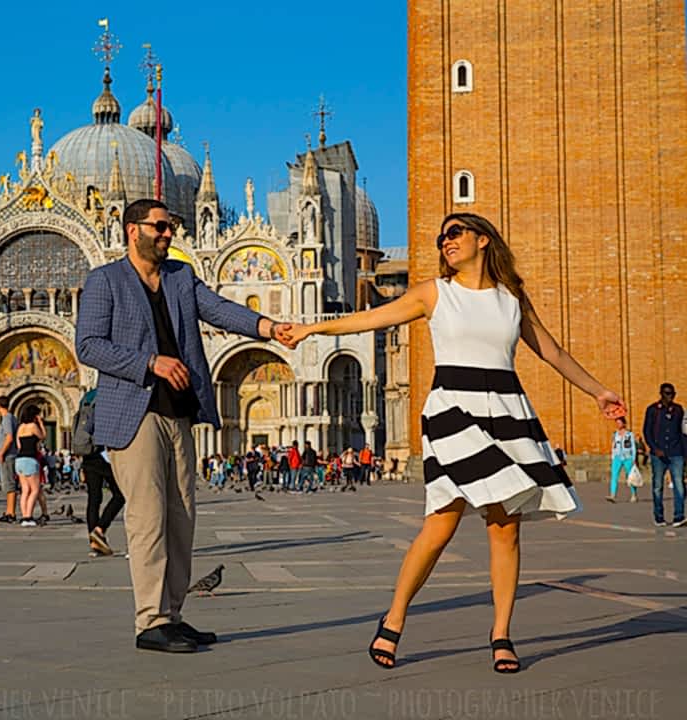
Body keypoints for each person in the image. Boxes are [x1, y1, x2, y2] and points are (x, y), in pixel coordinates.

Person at [284, 212, 624, 672]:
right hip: (453, 413)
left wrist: (599, 391)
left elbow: (554, 352)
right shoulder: (433, 293)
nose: (445, 241)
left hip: (506, 411)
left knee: (506, 527)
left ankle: (501, 633)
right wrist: (310, 330)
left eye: (455, 233)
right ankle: (396, 616)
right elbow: (370, 319)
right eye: (441, 236)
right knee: (440, 525)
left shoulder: (511, 299)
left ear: (483, 240)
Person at [75, 197, 295, 653]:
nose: (168, 234)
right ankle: (150, 620)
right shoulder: (106, 281)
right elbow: (89, 346)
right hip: (135, 412)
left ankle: (172, 614)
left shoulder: (179, 278)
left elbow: (219, 310)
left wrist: (268, 326)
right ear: (132, 230)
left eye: (171, 226)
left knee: (182, 516)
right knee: (147, 516)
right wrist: (150, 363)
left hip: (179, 411)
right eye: (159, 227)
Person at [76, 388, 126, 556]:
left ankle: (94, 544)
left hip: (87, 454)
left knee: (94, 498)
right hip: (102, 454)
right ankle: (99, 529)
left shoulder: (87, 397)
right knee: (120, 494)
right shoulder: (108, 394)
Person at [642, 383, 685, 527]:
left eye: (672, 393)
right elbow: (647, 431)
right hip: (658, 454)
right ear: (661, 394)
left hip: (676, 452)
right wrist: (654, 448)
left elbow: (682, 432)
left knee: (679, 485)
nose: (670, 396)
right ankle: (659, 516)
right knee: (657, 486)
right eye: (667, 393)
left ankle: (679, 516)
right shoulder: (653, 410)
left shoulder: (678, 410)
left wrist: (684, 452)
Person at [14, 404, 45, 527]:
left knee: (25, 490)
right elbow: (43, 436)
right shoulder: (33, 426)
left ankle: (24, 517)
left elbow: (19, 446)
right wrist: (41, 424)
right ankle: (28, 517)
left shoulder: (20, 427)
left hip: (19, 460)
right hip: (30, 459)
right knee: (35, 489)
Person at [0, 396, 19, 523]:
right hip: (9, 455)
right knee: (8, 484)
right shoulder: (10, 418)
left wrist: (1, 452)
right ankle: (9, 511)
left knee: (9, 484)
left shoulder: (7, 419)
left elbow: (9, 437)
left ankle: (11, 513)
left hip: (8, 456)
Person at [608, 416, 638, 503]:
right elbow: (613, 446)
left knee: (630, 477)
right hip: (617, 457)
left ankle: (634, 494)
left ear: (624, 423)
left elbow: (633, 447)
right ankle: (612, 495)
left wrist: (633, 458)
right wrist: (613, 456)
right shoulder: (615, 434)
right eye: (617, 423)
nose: (618, 424)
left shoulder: (629, 434)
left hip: (627, 457)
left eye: (619, 422)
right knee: (614, 476)